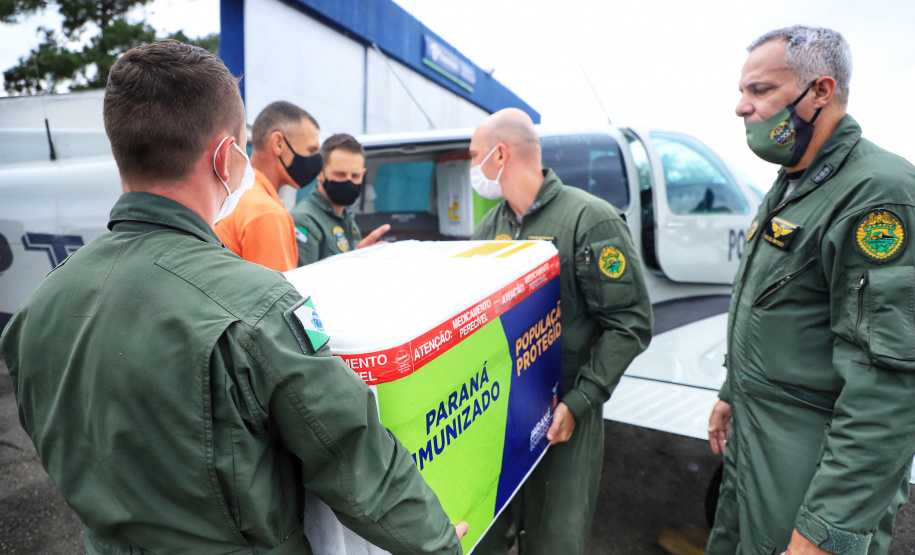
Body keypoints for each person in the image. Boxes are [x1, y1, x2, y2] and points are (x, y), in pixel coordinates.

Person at [0, 40, 466, 554]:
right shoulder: (260, 306)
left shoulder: (35, 314)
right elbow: (354, 455)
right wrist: (440, 544)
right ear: (226, 156)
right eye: (243, 146)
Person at [706, 26, 915, 555]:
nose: (741, 107)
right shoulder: (791, 182)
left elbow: (887, 387)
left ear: (820, 91)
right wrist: (733, 391)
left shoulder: (876, 194)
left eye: (759, 91)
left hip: (808, 463)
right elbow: (771, 307)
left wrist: (825, 529)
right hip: (756, 441)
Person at [470, 108, 653, 554]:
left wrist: (581, 399)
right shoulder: (489, 229)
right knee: (485, 536)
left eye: (474, 156)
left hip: (565, 413)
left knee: (554, 540)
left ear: (500, 154)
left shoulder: (590, 219)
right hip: (503, 416)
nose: (471, 167)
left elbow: (630, 322)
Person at [215, 101, 323, 272]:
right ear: (278, 143)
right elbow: (278, 296)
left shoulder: (232, 192)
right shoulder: (266, 212)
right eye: (311, 150)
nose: (317, 161)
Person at [290, 133, 389, 266]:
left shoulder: (346, 218)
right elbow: (302, 280)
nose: (348, 182)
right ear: (319, 172)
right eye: (340, 174)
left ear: (363, 174)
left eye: (355, 176)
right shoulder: (304, 220)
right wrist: (353, 263)